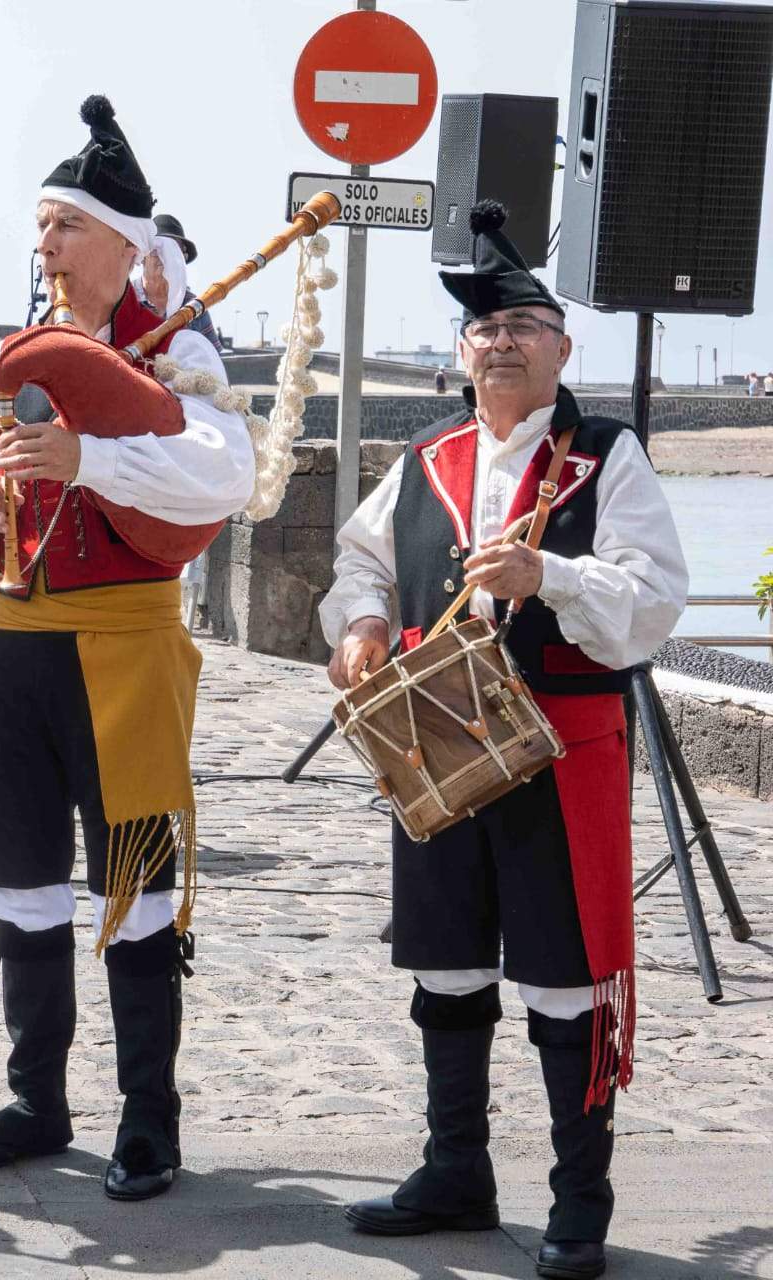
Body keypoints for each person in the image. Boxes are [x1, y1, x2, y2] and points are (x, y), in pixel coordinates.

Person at [322, 201, 687, 1280]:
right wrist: (359, 626)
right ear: (459, 352)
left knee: (565, 975)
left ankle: (578, 1203)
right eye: (484, 328)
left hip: (564, 746)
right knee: (441, 957)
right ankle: (454, 1169)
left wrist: (551, 575)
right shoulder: (424, 457)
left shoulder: (605, 457)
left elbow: (656, 597)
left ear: (560, 347)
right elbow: (362, 565)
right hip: (434, 738)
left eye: (524, 322)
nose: (502, 340)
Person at [0, 96, 255, 1194]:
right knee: (19, 877)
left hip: (126, 652)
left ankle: (148, 1116)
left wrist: (85, 457)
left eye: (64, 225)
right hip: (14, 647)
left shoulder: (183, 354)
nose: (44, 246)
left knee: (137, 882)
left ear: (122, 243)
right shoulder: (11, 359)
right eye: (40, 226)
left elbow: (221, 480)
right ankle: (34, 1098)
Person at [141, 213, 218, 349]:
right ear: (142, 255)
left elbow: (212, 361)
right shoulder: (122, 297)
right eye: (158, 249)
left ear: (182, 260)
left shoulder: (196, 308)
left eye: (172, 250)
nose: (164, 256)